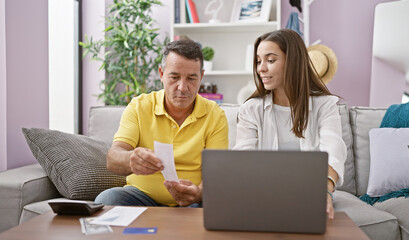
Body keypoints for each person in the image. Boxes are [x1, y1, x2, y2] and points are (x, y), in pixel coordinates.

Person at [95, 39, 229, 207]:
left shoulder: (215, 115)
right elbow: (113, 159)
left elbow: (216, 173)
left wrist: (198, 194)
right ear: (161, 74)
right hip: (140, 197)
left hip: (192, 202)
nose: (182, 87)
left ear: (201, 76)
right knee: (108, 199)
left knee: (214, 205)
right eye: (174, 77)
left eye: (191, 78)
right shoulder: (139, 106)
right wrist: (131, 159)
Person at [234, 29, 347, 219]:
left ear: (293, 62)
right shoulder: (250, 109)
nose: (261, 68)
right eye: (258, 61)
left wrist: (325, 192)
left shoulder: (325, 105)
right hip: (262, 192)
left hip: (310, 190)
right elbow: (242, 160)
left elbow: (333, 150)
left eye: (270, 60)